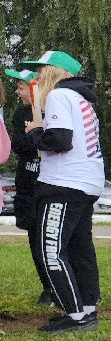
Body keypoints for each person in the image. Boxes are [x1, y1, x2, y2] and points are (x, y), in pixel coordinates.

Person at [20, 50, 104, 333]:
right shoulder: (82, 100)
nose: (37, 77)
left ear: (53, 72)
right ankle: (87, 306)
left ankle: (76, 315)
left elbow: (60, 140)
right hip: (86, 182)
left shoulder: (59, 96)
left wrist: (34, 132)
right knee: (80, 248)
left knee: (51, 251)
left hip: (64, 184)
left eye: (41, 71)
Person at [4, 68, 55, 307]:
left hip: (50, 184)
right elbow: (18, 145)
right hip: (27, 185)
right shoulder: (20, 114)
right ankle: (47, 287)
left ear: (34, 86)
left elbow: (56, 143)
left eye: (21, 87)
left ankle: (61, 284)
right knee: (34, 237)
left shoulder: (54, 109)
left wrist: (37, 140)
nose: (17, 91)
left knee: (53, 238)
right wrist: (38, 141)